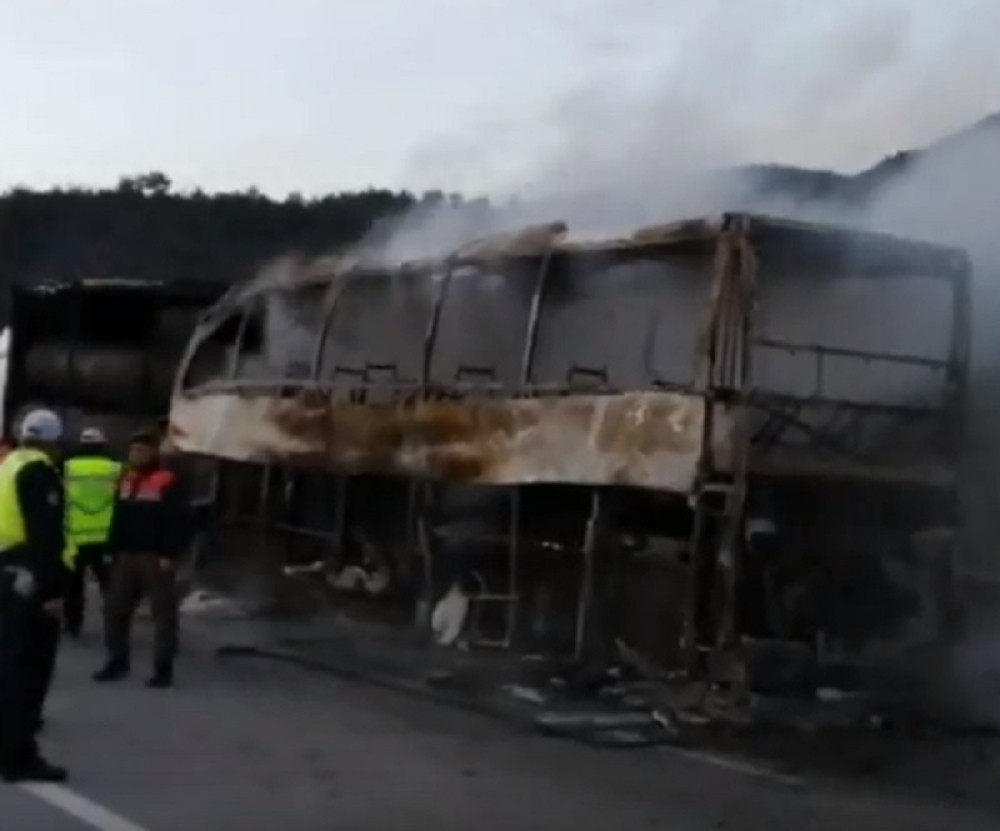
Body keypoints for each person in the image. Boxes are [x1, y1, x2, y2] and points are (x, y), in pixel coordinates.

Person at [0, 408, 70, 782]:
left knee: (7, 663)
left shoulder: (8, 465)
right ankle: (18, 756)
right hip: (28, 579)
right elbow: (46, 537)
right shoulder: (38, 472)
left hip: (5, 573)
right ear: (54, 441)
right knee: (28, 671)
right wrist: (52, 592)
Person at [93, 430, 185, 688]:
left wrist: (170, 553)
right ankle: (117, 661)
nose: (135, 455)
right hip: (126, 554)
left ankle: (163, 669)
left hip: (154, 556)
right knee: (114, 610)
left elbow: (177, 520)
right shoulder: (127, 479)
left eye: (141, 451)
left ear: (154, 453)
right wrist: (111, 547)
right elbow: (117, 516)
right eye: (133, 450)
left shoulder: (167, 480)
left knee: (163, 615)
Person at [63, 427, 122, 638]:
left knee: (73, 586)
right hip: (104, 537)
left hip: (75, 537)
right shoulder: (116, 468)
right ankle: (115, 625)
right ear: (103, 444)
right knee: (110, 586)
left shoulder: (68, 467)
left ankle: (73, 625)